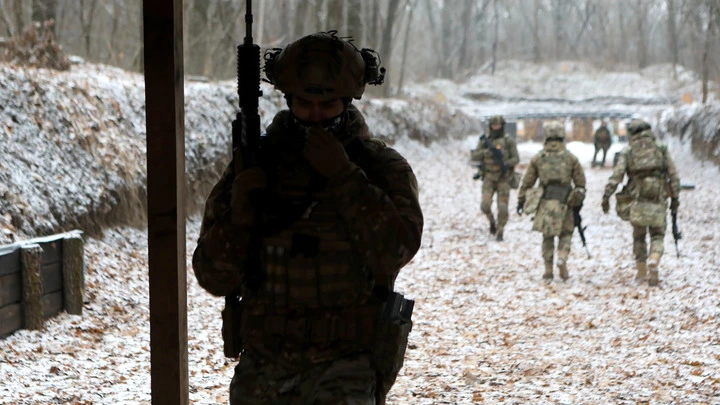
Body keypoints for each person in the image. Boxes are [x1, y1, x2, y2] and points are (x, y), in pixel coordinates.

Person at [192, 31, 423, 404]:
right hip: (265, 364)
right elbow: (212, 275)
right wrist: (239, 216)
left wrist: (344, 177)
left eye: (328, 104)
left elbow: (395, 251)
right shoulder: (256, 164)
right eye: (304, 103)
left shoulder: (380, 167)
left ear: (347, 101)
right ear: (288, 100)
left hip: (346, 363)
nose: (315, 115)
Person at [601, 119, 679, 286]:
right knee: (657, 234)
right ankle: (654, 259)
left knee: (639, 236)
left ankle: (641, 272)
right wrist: (675, 198)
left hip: (637, 198)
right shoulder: (661, 149)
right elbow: (673, 175)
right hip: (658, 198)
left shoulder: (628, 151)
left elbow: (617, 175)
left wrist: (607, 195)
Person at [516, 121, 586, 281]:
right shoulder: (570, 158)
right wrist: (577, 199)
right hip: (565, 203)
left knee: (547, 237)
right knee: (566, 233)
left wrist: (521, 201)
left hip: (546, 202)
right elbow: (581, 183)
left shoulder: (538, 158)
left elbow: (527, 182)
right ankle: (562, 258)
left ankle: (548, 270)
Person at [470, 115, 519, 241]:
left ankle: (500, 230)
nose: (496, 128)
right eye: (494, 125)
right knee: (485, 205)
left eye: (498, 125)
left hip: (503, 178)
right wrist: (487, 153)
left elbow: (516, 158)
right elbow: (474, 156)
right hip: (489, 178)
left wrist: (505, 164)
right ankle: (492, 222)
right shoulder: (485, 141)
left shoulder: (508, 141)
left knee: (503, 208)